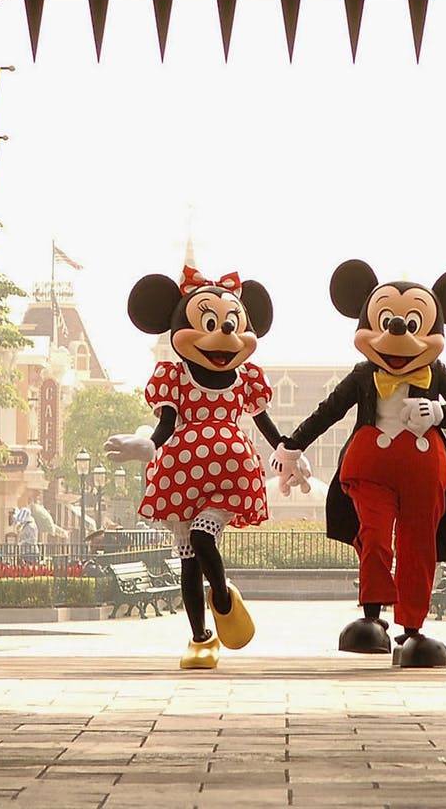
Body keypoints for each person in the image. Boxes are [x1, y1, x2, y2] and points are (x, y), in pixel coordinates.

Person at [271, 259, 446, 669]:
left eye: (411, 322)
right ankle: (372, 616)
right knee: (374, 536)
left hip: (424, 468)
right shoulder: (363, 375)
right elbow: (328, 411)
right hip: (370, 467)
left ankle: (412, 627)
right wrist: (291, 444)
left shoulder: (436, 373)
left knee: (418, 544)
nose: (398, 331)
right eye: (387, 320)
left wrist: (438, 412)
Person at [105, 265, 310, 671]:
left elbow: (267, 427)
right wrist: (143, 445)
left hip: (229, 478)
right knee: (187, 558)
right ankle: (200, 638)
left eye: (231, 323)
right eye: (210, 322)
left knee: (202, 538)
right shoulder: (174, 377)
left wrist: (289, 452)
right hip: (180, 477)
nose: (222, 334)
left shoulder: (246, 378)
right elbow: (165, 426)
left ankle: (222, 596)